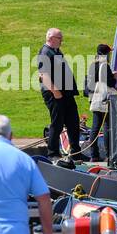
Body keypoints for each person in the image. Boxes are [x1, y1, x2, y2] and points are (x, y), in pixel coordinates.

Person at [37, 27, 80, 160]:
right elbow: (43, 75)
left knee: (73, 122)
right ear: (50, 38)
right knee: (57, 123)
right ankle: (53, 153)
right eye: (59, 38)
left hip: (66, 93)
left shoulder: (56, 51)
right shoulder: (45, 52)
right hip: (55, 94)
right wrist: (56, 92)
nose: (62, 40)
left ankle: (75, 152)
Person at [84, 43, 116, 163]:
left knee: (95, 127)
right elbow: (110, 83)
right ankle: (109, 155)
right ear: (105, 54)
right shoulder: (105, 65)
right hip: (103, 99)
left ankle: (94, 155)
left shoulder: (92, 65)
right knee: (107, 126)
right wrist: (115, 76)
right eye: (109, 53)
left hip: (93, 98)